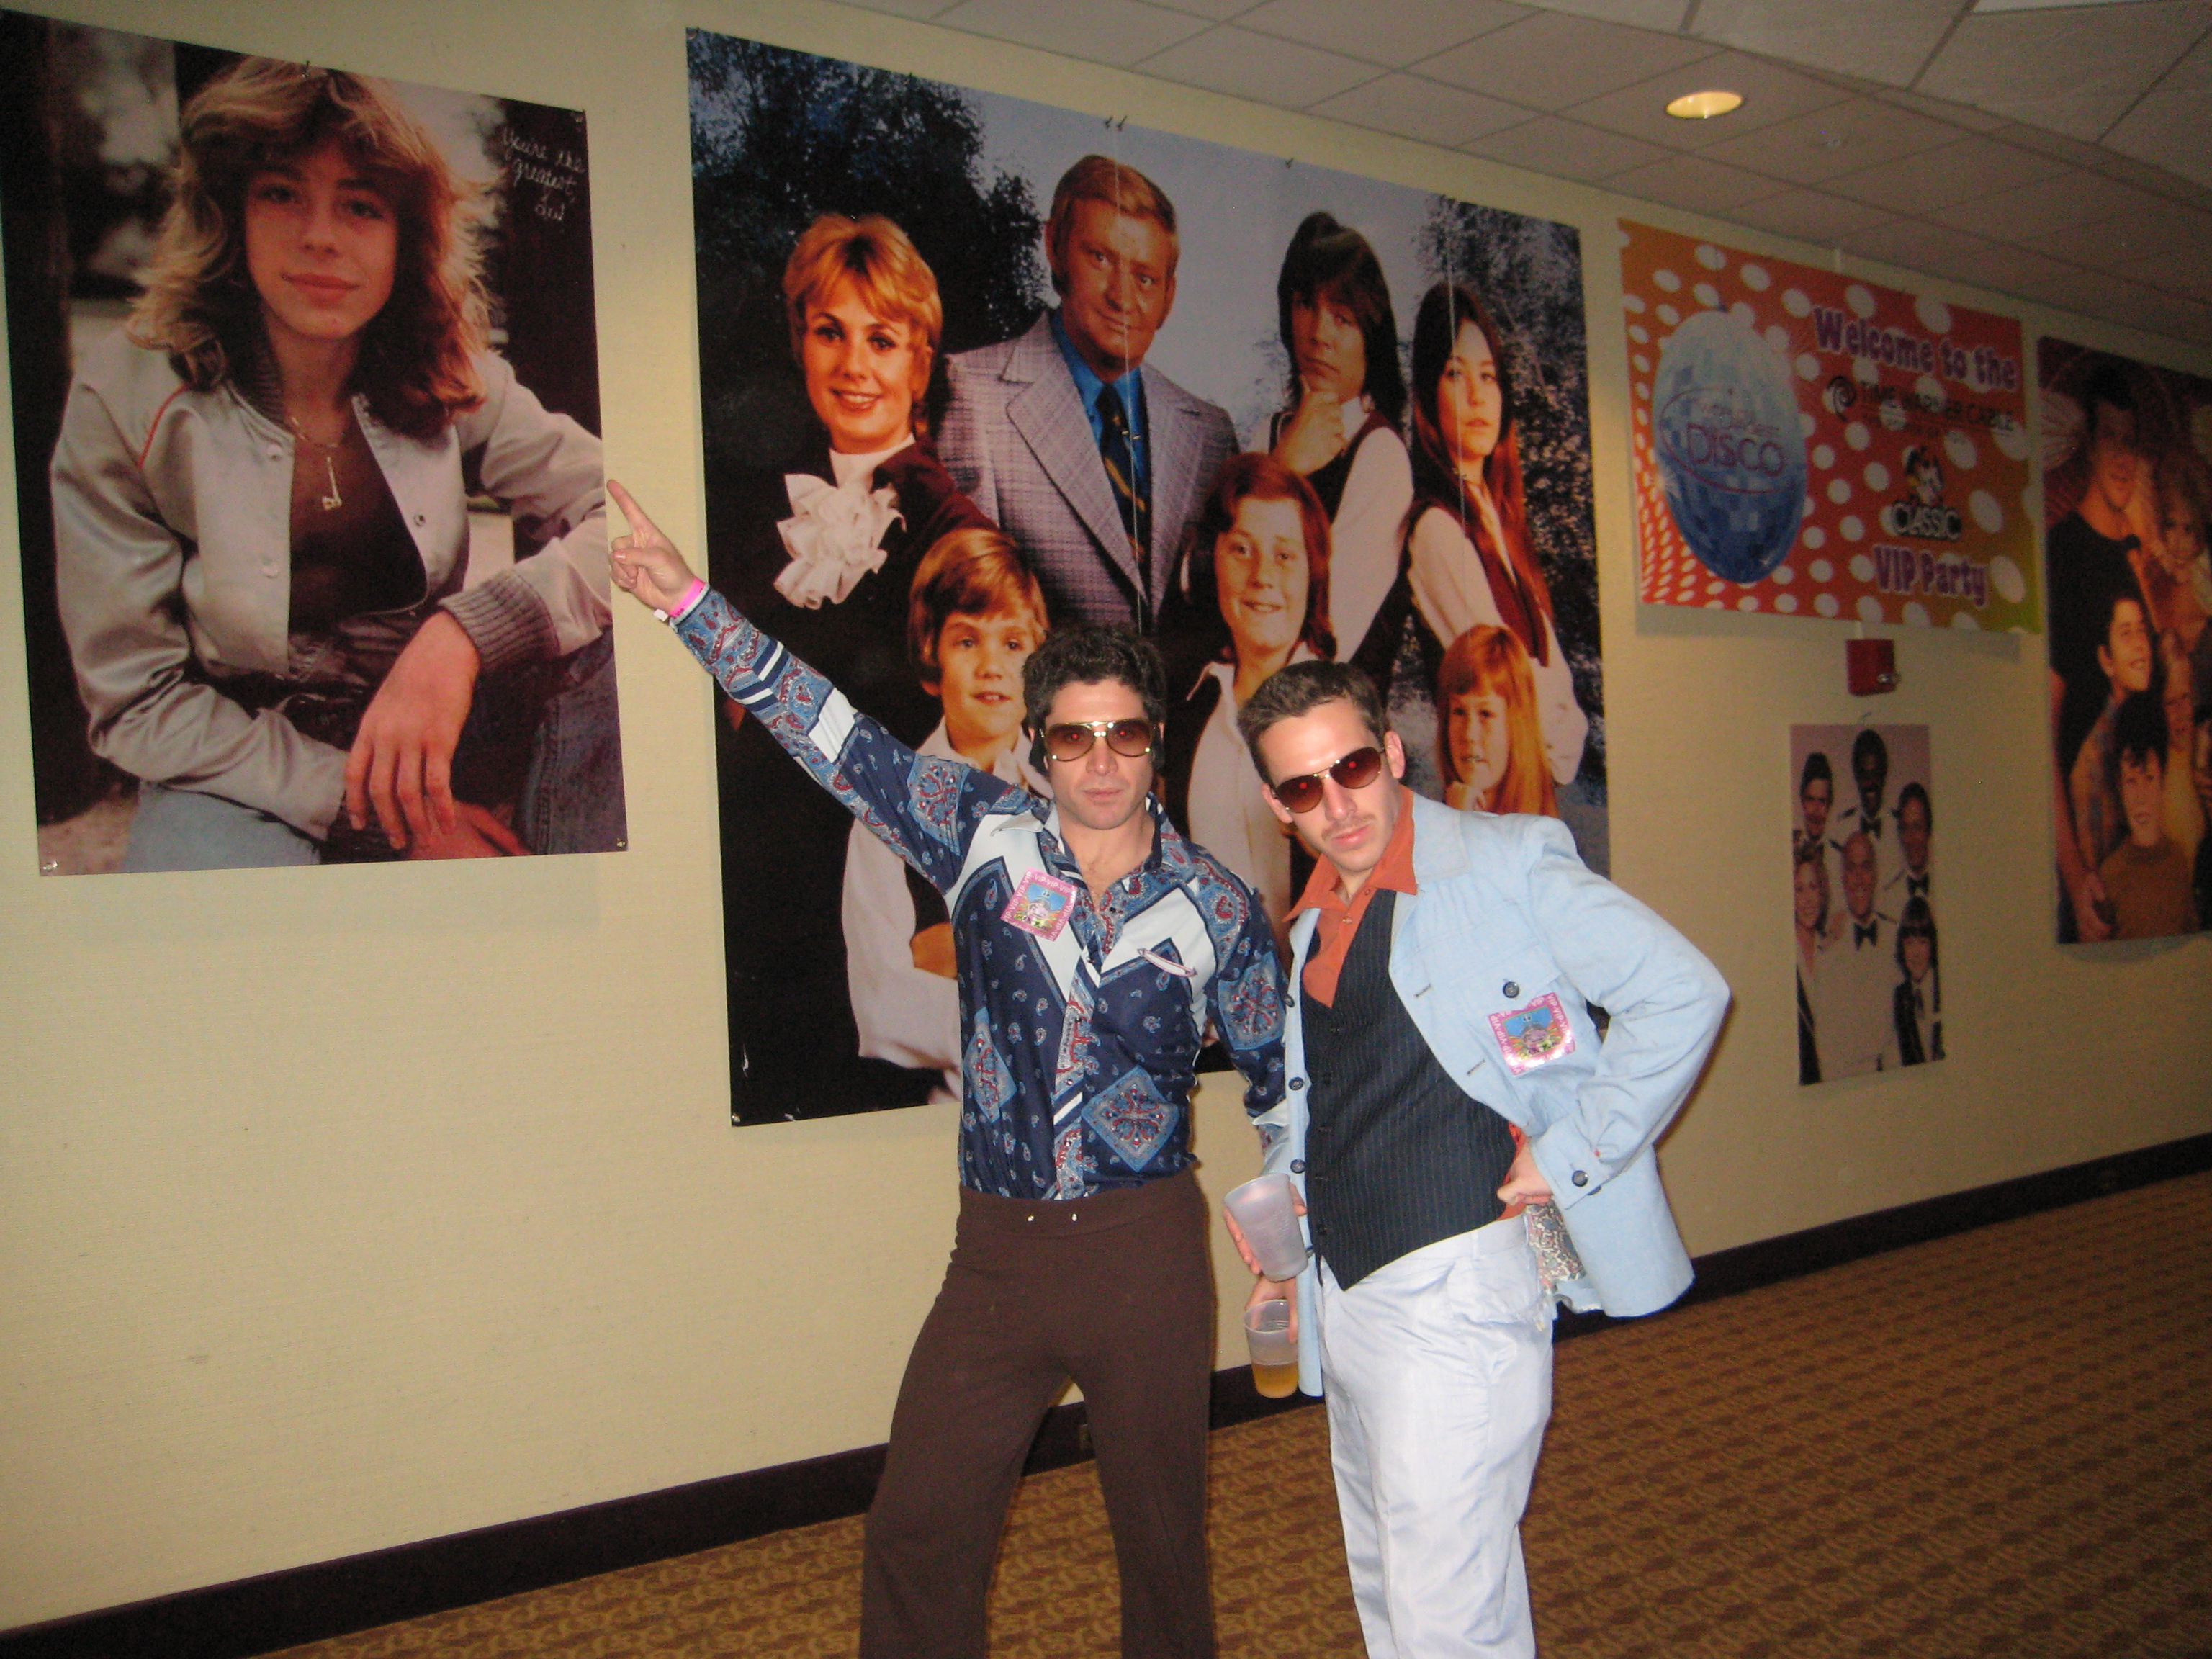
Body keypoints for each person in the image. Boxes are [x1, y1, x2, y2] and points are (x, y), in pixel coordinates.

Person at [606, 480, 1285, 1659]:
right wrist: (686, 603)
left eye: (1125, 733)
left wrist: (1288, 1252)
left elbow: (1285, 1083)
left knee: (1163, 1551)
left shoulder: (1216, 905)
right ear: (1040, 743)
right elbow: (829, 734)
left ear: (1155, 741)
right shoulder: (978, 832)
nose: (1101, 762)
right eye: (1072, 736)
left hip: (1145, 1259)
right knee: (919, 1529)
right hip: (997, 1259)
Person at [1224, 659, 1727, 1659]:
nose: (1338, 804)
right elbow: (1325, 1097)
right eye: (1304, 788)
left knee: (1448, 1609)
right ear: (1279, 806)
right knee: (1391, 1584)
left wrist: (1571, 1152)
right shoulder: (1315, 916)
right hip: (1348, 1292)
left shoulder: (1506, 862)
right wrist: (1287, 1222)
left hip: (1460, 1287)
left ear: (1391, 753)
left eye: (1352, 767)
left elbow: (1684, 992)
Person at [52, 58, 617, 869]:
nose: (320, 236)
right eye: (282, 193)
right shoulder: (129, 391)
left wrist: (463, 637)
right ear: (231, 214)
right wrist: (382, 817)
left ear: (406, 237)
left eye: (360, 205)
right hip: (236, 762)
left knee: (634, 638)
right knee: (211, 916)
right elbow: (136, 702)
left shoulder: (451, 372)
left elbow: (639, 521)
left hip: (442, 722)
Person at [703, 211, 995, 1114]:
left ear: (920, 363)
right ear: (801, 342)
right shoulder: (744, 515)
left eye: (883, 339)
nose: (854, 365)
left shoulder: (964, 542)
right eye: (831, 332)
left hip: (883, 927)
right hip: (756, 909)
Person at [939, 156, 1237, 636]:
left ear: (1169, 296)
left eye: (1145, 278)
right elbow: (970, 614)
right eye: (1100, 258)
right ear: (1055, 248)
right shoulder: (975, 394)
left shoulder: (1210, 434)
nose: (1123, 297)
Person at [842, 528, 1050, 1099]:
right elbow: (884, 1005)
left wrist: (960, 949)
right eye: (967, 641)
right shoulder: (886, 811)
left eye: (1013, 644)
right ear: (931, 654)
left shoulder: (1063, 803)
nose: (992, 666)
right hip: (951, 1112)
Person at [1402, 282, 1586, 789]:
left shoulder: (1501, 523)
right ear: (1428, 394)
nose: (1477, 395)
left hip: (1529, 791)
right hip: (1485, 796)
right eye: (1455, 374)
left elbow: (1562, 691)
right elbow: (1508, 688)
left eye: (1488, 376)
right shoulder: (1437, 528)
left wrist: (1561, 731)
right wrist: (1556, 729)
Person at [1160, 453, 1333, 927]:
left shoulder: (1347, 715)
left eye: (1284, 555)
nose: (1262, 576)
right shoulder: (1186, 716)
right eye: (1241, 550)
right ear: (1211, 561)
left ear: (1312, 571)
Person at [1266, 212, 1413, 671]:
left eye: (1343, 318)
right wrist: (1284, 464)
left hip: (1322, 705)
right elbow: (1203, 587)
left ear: (1371, 337)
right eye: (1305, 305)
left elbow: (1327, 641)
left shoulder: (1380, 455)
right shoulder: (1269, 436)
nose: (1318, 335)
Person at [2047, 364, 2157, 940]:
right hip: (2096, 857)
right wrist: (2074, 874)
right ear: (2088, 445)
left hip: (2147, 857)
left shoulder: (2133, 557)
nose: (2122, 456)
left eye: (2130, 441)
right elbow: (2043, 730)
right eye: (2110, 437)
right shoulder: (2064, 553)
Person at [2068, 585, 2157, 877]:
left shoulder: (2153, 725)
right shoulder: (2092, 762)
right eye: (2126, 634)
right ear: (2107, 660)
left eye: (2142, 631)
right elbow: (2102, 877)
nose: (2140, 645)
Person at [2097, 691, 2200, 938]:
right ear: (2120, 786)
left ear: (2163, 780)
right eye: (2131, 781)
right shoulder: (2110, 875)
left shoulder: (2178, 863)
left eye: (2150, 778)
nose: (2141, 797)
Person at [1436, 624, 1557, 817]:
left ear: (1516, 726)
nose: (1469, 735)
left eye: (1485, 714)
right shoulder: (1429, 824)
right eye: (1459, 712)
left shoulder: (1540, 830)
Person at [1817, 832, 1899, 1076]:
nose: (1860, 879)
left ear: (1875, 875)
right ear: (1843, 878)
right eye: (1852, 870)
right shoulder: (1828, 951)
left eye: (1866, 868)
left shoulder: (1895, 937)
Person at [1833, 729, 1893, 889]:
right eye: (1864, 775)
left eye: (1875, 774)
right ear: (1856, 777)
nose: (1870, 782)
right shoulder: (1841, 830)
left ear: (1884, 774)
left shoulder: (1900, 827)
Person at [1797, 750, 1844, 940]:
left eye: (1822, 802)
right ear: (1802, 801)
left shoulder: (1841, 859)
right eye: (1811, 800)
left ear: (1830, 804)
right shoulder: (1789, 854)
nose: (1816, 810)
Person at [1891, 895, 1943, 1066]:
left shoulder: (1944, 988)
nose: (1916, 953)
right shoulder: (1901, 997)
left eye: (1922, 942)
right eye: (1909, 943)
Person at [1794, 845, 1829, 1086]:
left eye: (1813, 887)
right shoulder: (1787, 959)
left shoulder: (1834, 949)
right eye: (1799, 890)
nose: (1808, 899)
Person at [1884, 781, 1933, 912]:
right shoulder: (1889, 895)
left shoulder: (1947, 885)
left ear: (1929, 830)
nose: (1911, 839)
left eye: (1917, 827)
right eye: (1905, 828)